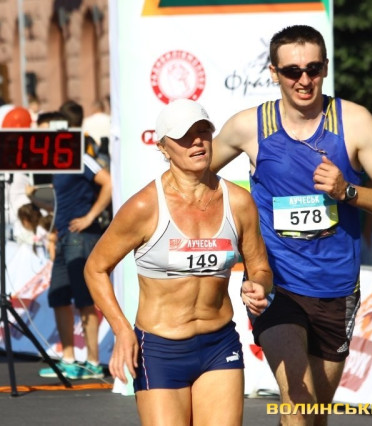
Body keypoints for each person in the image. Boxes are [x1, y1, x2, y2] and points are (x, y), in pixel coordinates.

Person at [210, 25, 372, 425]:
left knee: (316, 413)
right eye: (292, 71)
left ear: (325, 68)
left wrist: (347, 191)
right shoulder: (249, 126)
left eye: (313, 69)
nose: (304, 80)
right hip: (277, 284)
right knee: (298, 402)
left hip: (337, 288)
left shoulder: (354, 122)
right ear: (274, 73)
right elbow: (192, 179)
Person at [84, 99, 272, 425]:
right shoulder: (145, 206)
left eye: (203, 132)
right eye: (185, 136)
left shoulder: (239, 202)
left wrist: (259, 286)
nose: (197, 141)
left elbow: (260, 267)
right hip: (160, 350)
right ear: (163, 148)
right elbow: (95, 268)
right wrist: (121, 330)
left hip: (219, 343)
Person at [37, 103, 113, 381]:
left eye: (46, 131)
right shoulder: (54, 161)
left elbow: (109, 183)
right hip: (62, 235)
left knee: (84, 299)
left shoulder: (80, 157)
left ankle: (92, 362)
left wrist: (89, 216)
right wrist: (52, 229)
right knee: (58, 296)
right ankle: (68, 359)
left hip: (81, 237)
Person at [359, 172, 372, 266]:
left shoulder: (364, 169)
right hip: (351, 232)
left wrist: (367, 231)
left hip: (363, 231)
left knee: (367, 269)